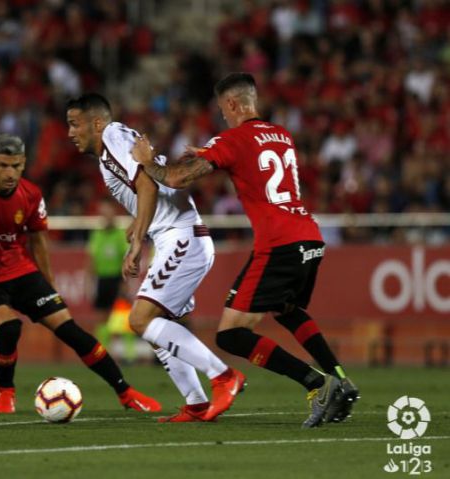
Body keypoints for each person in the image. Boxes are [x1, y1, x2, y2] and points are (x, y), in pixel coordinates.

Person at [131, 72, 359, 428]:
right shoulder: (282, 135)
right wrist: (211, 154)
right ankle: (342, 378)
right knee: (288, 310)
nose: (223, 116)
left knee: (231, 334)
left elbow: (176, 178)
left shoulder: (234, 138)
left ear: (234, 104)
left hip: (278, 244)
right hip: (309, 237)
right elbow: (255, 168)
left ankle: (315, 383)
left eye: (223, 109)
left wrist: (147, 162)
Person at [0, 133, 161, 415]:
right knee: (9, 327)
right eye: (3, 165)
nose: (10, 173)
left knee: (72, 332)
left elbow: (39, 240)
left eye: (16, 166)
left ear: (24, 164)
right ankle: (6, 392)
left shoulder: (31, 195)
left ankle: (125, 393)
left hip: (20, 270)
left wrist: (49, 284)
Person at [66, 94, 245, 423]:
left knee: (140, 320)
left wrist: (136, 242)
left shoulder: (112, 137)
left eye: (74, 124)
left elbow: (146, 183)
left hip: (182, 237)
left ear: (96, 123)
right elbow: (147, 189)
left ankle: (223, 376)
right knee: (155, 326)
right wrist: (138, 222)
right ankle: (196, 403)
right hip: (174, 237)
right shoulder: (113, 145)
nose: (69, 132)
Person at [87, 198, 128, 327]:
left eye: (108, 212)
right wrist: (89, 282)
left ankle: (118, 345)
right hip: (101, 279)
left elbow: (125, 259)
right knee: (101, 316)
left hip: (116, 279)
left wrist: (124, 282)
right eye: (103, 213)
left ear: (114, 213)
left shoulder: (121, 234)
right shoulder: (96, 235)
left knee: (119, 318)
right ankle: (103, 344)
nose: (106, 215)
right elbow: (91, 260)